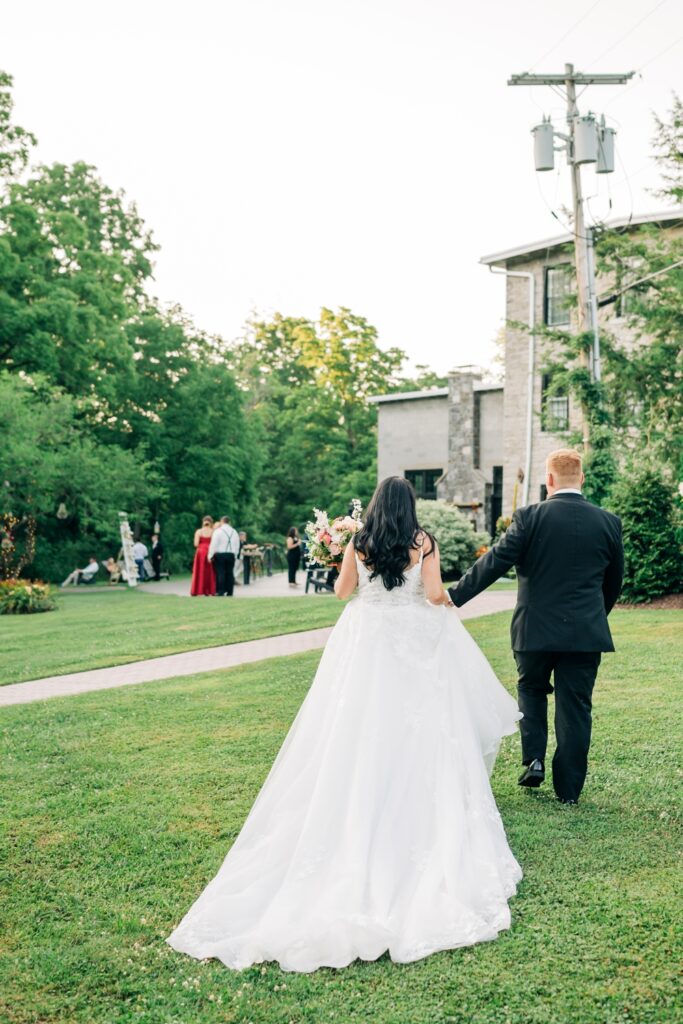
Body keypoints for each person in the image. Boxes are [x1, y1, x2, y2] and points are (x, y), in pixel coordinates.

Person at [167, 476, 521, 972]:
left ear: (375, 506)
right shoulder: (424, 542)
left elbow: (342, 593)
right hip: (412, 639)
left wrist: (344, 566)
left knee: (356, 721)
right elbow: (436, 592)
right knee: (416, 725)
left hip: (367, 638)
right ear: (410, 506)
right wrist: (438, 601)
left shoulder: (360, 541)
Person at [448, 448, 624, 806]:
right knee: (575, 705)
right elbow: (614, 582)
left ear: (549, 480)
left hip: (534, 630)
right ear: (582, 479)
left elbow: (494, 562)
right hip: (586, 633)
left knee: (531, 689)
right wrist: (594, 616)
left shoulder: (529, 517)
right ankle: (569, 790)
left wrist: (454, 596)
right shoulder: (608, 522)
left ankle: (534, 760)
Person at [208, 516, 240, 597]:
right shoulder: (234, 531)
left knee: (220, 572)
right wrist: (235, 554)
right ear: (229, 522)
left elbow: (214, 544)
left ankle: (220, 591)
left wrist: (210, 555)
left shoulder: (218, 531)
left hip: (220, 554)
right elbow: (237, 544)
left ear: (221, 521)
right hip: (231, 554)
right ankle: (230, 591)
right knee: (230, 573)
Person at [190, 517, 216, 596]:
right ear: (211, 523)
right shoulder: (213, 531)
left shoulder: (199, 531)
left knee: (199, 570)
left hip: (201, 552)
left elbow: (196, 544)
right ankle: (209, 590)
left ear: (203, 522)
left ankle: (197, 590)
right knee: (210, 571)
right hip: (209, 551)